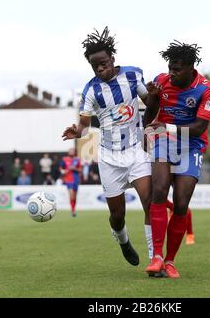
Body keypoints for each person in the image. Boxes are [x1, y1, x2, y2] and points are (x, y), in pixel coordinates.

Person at [62, 27, 155, 268]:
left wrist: (155, 99)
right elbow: (84, 124)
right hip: (109, 157)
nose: (101, 69)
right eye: (96, 67)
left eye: (103, 63)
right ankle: (123, 240)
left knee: (150, 202)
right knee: (117, 215)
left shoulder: (134, 76)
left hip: (136, 151)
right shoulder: (91, 90)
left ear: (112, 58)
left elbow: (150, 103)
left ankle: (155, 257)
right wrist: (78, 132)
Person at [144, 41, 210, 278]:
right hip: (163, 139)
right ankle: (156, 257)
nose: (171, 73)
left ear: (190, 68)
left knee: (182, 204)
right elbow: (148, 120)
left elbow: (199, 127)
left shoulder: (206, 89)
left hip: (191, 144)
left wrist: (168, 125)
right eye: (169, 68)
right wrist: (153, 99)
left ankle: (170, 260)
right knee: (159, 189)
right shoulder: (161, 81)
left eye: (176, 69)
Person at [59, 148, 82, 217]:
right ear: (68, 152)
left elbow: (80, 170)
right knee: (71, 195)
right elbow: (60, 168)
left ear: (74, 152)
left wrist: (74, 168)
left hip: (76, 179)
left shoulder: (77, 160)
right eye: (70, 150)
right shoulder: (65, 159)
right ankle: (72, 211)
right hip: (68, 179)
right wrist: (64, 171)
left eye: (73, 150)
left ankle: (73, 210)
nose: (71, 151)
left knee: (74, 196)